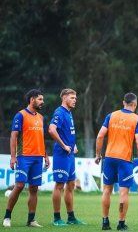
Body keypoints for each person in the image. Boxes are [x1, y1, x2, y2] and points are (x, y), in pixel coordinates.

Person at [95, 92, 138, 231]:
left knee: (107, 190)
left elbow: (100, 135)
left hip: (109, 158)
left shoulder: (111, 115)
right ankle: (121, 223)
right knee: (123, 192)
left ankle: (105, 222)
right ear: (135, 105)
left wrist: (98, 154)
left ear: (123, 102)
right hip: (124, 159)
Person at [3, 89, 49, 228]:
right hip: (24, 157)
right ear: (32, 99)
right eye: (40, 99)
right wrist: (13, 157)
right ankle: (7, 217)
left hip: (37, 158)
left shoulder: (41, 117)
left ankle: (31, 220)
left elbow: (41, 138)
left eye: (42, 99)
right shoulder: (20, 115)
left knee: (34, 189)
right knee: (19, 186)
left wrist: (45, 155)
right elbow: (13, 136)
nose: (42, 102)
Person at [48, 88, 85, 226]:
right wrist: (64, 145)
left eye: (75, 98)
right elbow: (51, 129)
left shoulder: (69, 113)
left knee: (71, 184)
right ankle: (57, 218)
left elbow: (67, 132)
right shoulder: (59, 112)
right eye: (72, 98)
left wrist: (73, 144)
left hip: (70, 155)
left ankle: (71, 218)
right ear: (64, 98)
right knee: (59, 185)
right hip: (61, 155)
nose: (75, 100)